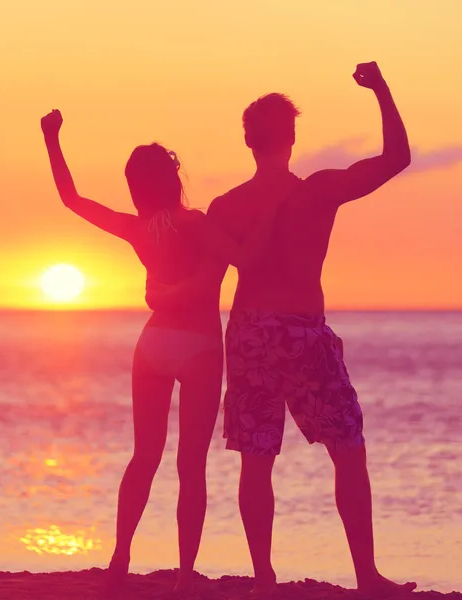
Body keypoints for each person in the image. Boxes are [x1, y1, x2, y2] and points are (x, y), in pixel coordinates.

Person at [148, 62, 415, 597]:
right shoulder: (316, 192)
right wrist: (381, 89)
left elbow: (207, 283)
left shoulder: (226, 207)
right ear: (291, 138)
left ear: (248, 142)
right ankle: (365, 577)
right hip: (301, 330)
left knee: (257, 456)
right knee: (347, 447)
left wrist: (164, 306)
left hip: (248, 332)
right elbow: (397, 159)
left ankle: (264, 579)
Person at [40, 109, 291, 595]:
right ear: (175, 179)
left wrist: (52, 138)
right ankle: (182, 577)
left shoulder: (137, 229)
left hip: (152, 344)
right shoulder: (195, 224)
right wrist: (272, 212)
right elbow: (247, 260)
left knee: (143, 458)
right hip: (198, 346)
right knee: (189, 465)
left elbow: (71, 199)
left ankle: (119, 561)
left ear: (137, 189)